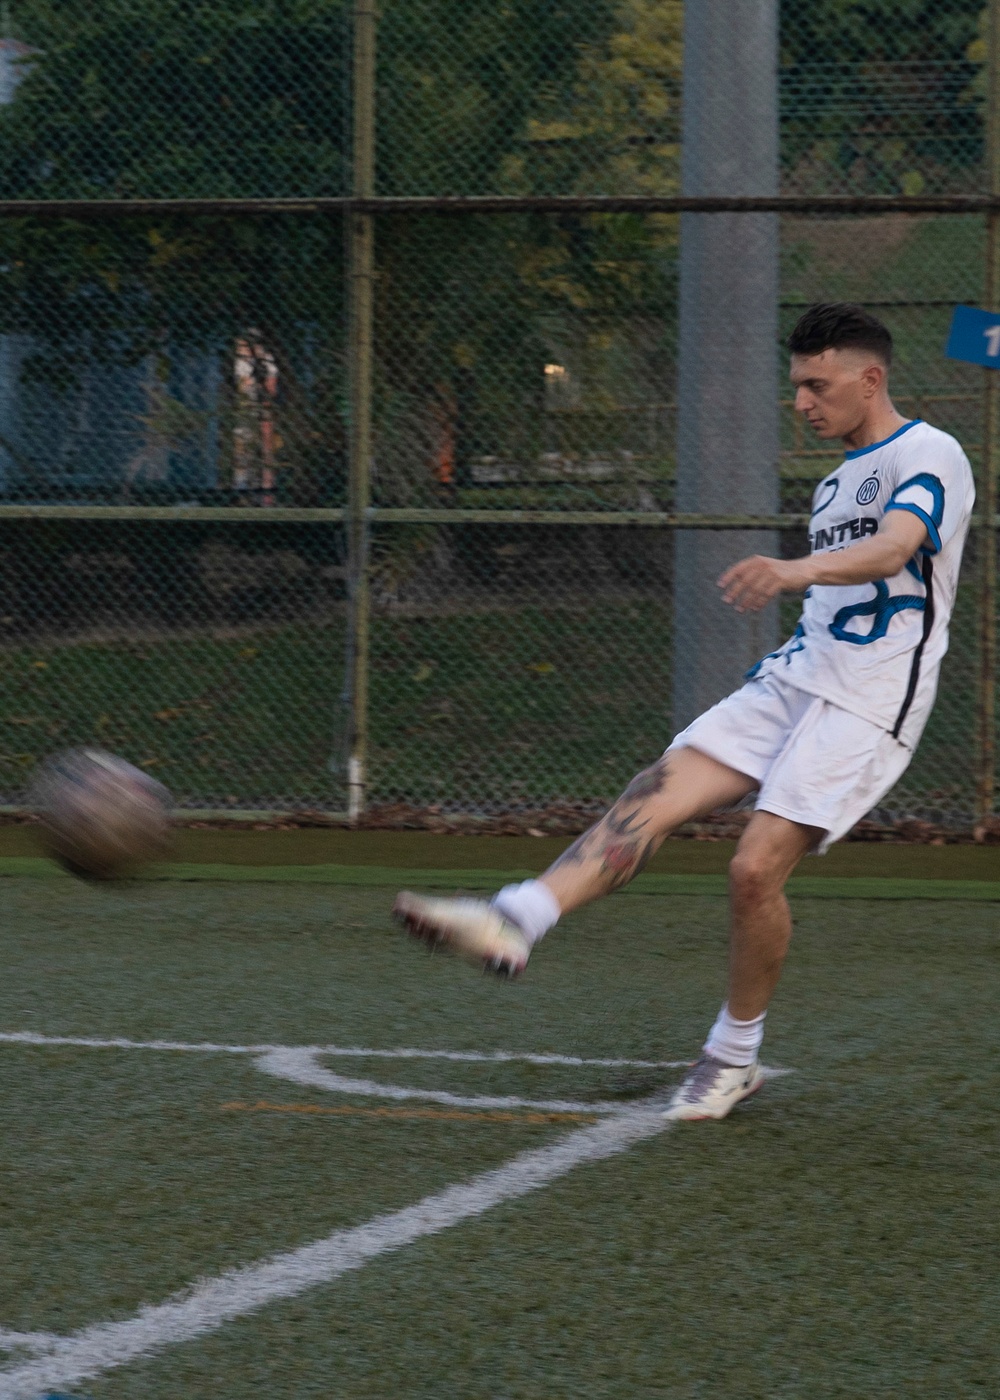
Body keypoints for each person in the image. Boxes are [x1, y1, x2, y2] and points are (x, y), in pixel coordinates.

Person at [394, 302, 975, 1121]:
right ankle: (517, 915)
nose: (802, 403)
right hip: (797, 677)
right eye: (796, 387)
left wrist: (794, 569)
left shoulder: (932, 452)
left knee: (752, 870)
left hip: (871, 697)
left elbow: (897, 545)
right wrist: (798, 580)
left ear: (869, 377)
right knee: (654, 792)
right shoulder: (836, 479)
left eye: (817, 384)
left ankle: (733, 1057)